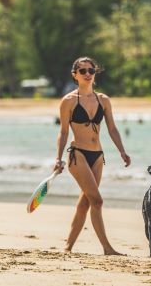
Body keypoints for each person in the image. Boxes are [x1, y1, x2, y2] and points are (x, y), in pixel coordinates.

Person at [53, 56, 131, 255]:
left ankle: (67, 247)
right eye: (83, 71)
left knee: (86, 202)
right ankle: (107, 247)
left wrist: (122, 151)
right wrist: (58, 158)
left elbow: (112, 128)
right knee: (97, 200)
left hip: (97, 156)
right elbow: (63, 132)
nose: (88, 74)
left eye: (91, 70)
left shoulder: (103, 100)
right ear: (75, 75)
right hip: (77, 155)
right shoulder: (68, 101)